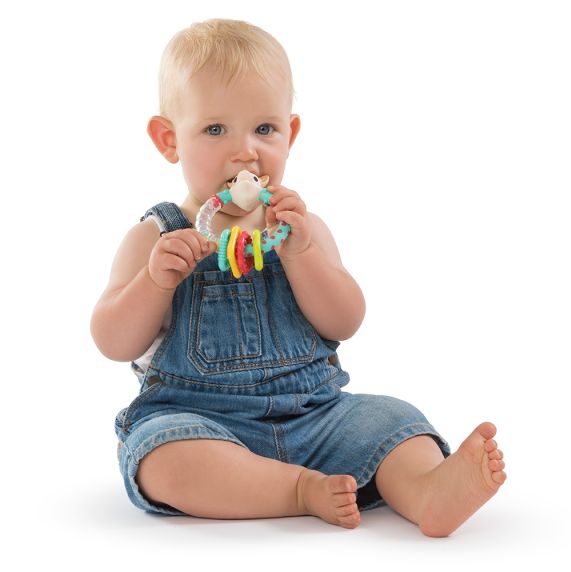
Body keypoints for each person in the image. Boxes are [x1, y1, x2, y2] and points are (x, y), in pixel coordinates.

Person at [90, 18, 506, 537]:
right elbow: (112, 341)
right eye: (215, 129)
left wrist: (302, 254)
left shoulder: (301, 231)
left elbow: (344, 321)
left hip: (316, 417)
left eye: (264, 129)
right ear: (169, 140)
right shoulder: (157, 238)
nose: (246, 151)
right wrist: (154, 282)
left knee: (392, 421)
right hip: (201, 421)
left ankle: (426, 490)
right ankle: (297, 490)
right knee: (164, 459)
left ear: (292, 134)